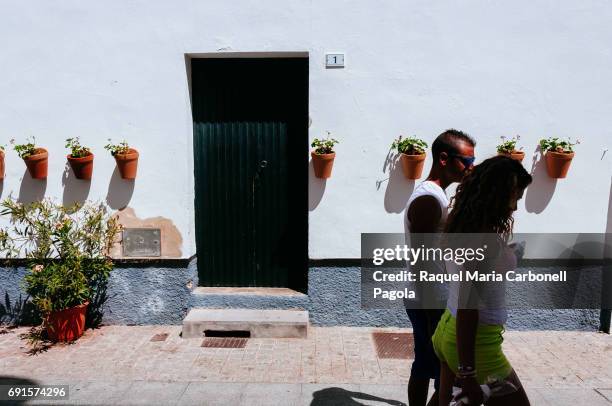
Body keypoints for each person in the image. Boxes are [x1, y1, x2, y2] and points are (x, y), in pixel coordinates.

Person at [432, 156, 532, 405]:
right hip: (478, 343)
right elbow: (469, 305)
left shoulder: (461, 223)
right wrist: (468, 374)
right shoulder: (484, 239)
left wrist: (506, 253)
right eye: (515, 198)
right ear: (498, 194)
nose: (515, 207)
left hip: (448, 329)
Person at [404, 129, 476, 406]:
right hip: (430, 296)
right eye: (466, 162)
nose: (470, 168)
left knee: (425, 365)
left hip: (432, 295)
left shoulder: (438, 196)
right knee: (446, 370)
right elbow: (424, 259)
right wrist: (436, 315)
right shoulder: (429, 199)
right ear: (444, 158)